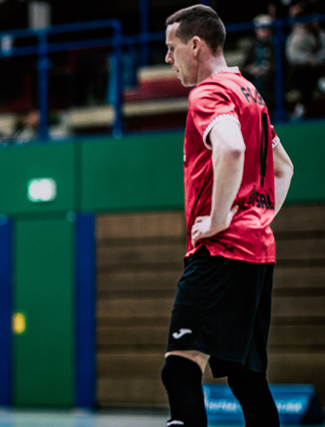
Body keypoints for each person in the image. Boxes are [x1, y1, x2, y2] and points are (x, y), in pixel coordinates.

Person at [162, 5, 294, 427]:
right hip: (257, 251)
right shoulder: (249, 93)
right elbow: (284, 167)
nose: (168, 58)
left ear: (195, 45)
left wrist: (220, 220)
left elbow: (232, 148)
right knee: (247, 379)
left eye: (172, 47)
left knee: (180, 368)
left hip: (221, 251)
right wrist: (259, 217)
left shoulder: (208, 92)